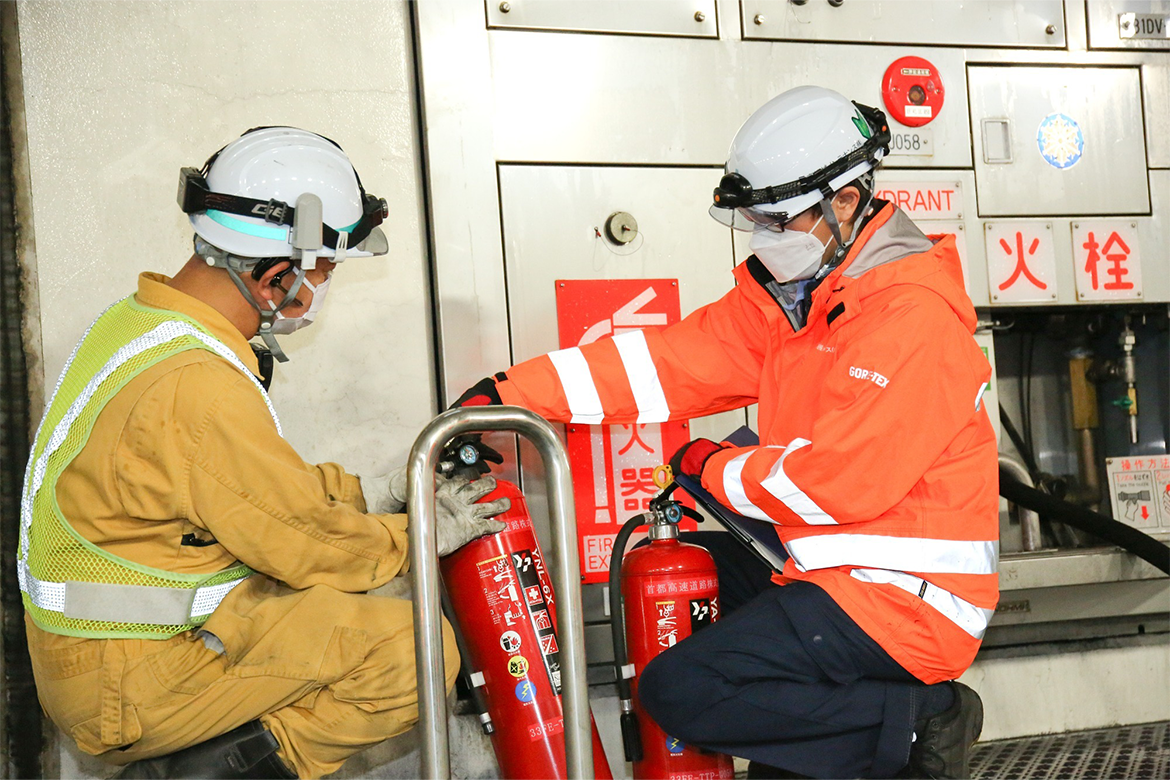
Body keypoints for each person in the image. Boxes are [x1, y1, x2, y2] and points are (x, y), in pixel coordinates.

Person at [452, 87, 998, 779]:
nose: (763, 236)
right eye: (752, 219)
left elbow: (836, 483)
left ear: (848, 204)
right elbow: (662, 365)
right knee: (686, 568)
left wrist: (708, 467)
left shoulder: (907, 318)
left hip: (909, 600)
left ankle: (923, 722)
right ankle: (824, 747)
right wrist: (506, 395)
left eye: (777, 218)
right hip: (832, 569)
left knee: (683, 691)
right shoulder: (797, 302)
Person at [18, 127, 508, 779]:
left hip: (107, 654)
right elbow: (307, 546)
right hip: (128, 684)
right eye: (328, 267)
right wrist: (420, 535)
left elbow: (249, 489)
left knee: (351, 619)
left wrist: (375, 491)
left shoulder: (142, 324)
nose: (326, 286)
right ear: (280, 273)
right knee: (412, 651)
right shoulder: (197, 386)